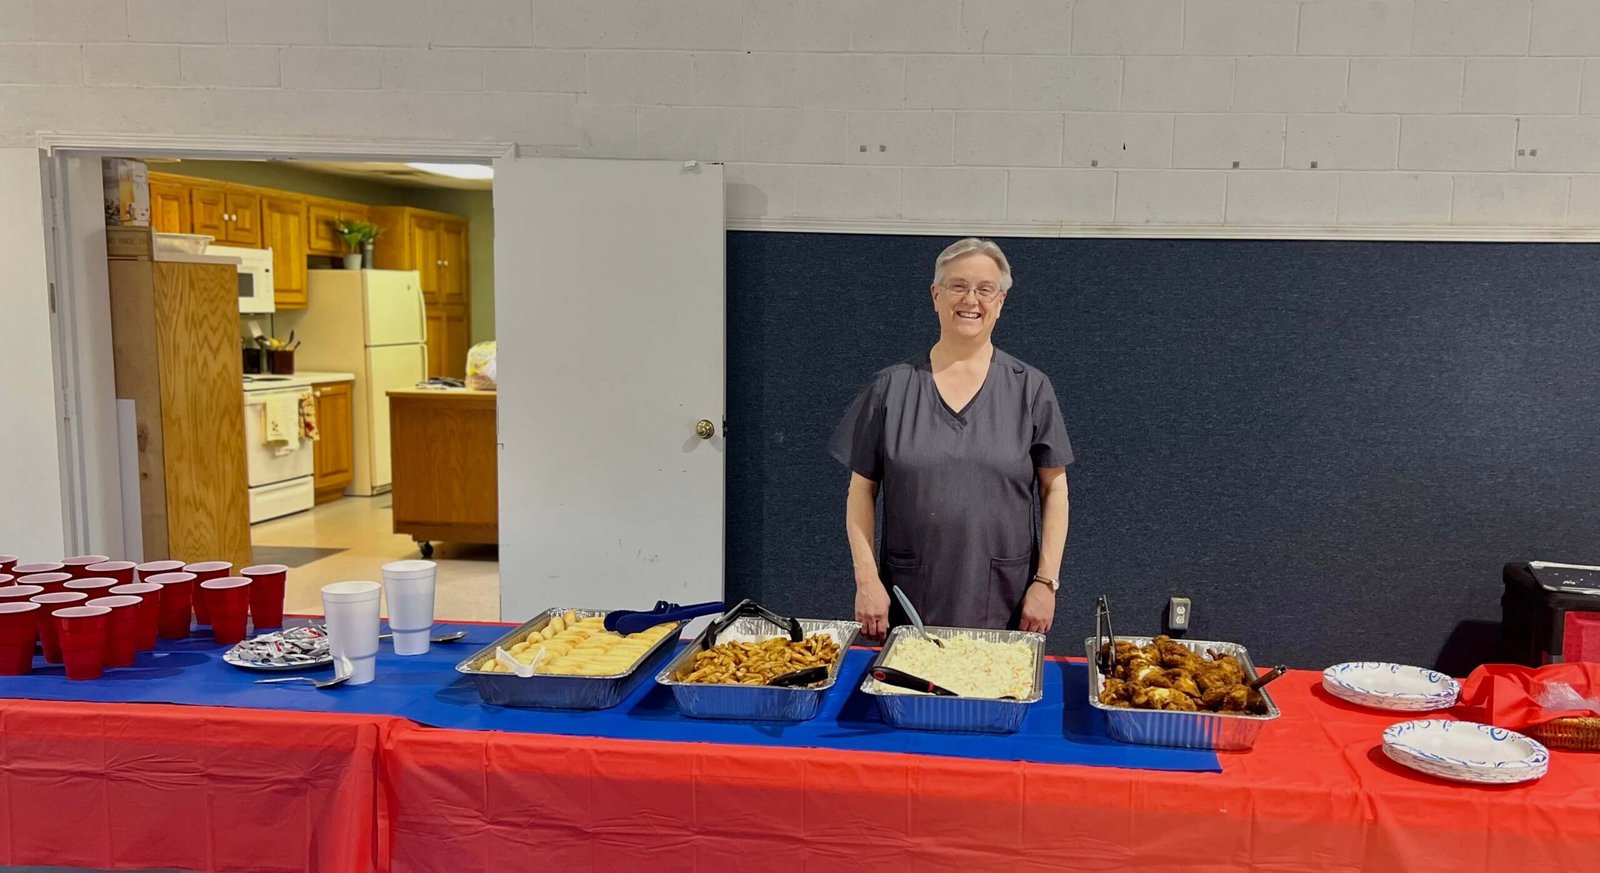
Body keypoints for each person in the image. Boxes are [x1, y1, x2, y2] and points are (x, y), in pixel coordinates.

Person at [829, 238, 1072, 638]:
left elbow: (1055, 490)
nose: (971, 300)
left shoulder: (1031, 389)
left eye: (985, 289)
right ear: (936, 295)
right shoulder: (890, 389)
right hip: (910, 598)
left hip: (1006, 599)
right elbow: (860, 491)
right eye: (958, 286)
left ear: (1001, 302)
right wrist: (867, 580)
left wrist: (1046, 582)